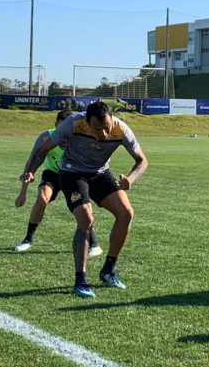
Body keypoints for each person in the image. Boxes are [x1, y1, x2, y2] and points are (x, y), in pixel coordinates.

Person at [20, 101, 148, 298]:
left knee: (126, 213)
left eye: (106, 127)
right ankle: (80, 280)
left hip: (100, 173)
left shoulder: (121, 129)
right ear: (87, 121)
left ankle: (108, 270)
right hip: (72, 174)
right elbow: (43, 149)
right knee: (86, 219)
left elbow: (142, 160)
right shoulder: (73, 123)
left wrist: (130, 179)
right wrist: (30, 171)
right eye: (97, 128)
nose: (104, 134)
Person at [14, 109, 103, 256]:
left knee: (81, 207)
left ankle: (94, 244)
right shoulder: (45, 138)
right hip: (53, 173)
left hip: (74, 175)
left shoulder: (78, 138)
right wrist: (22, 193)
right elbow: (32, 161)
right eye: (60, 128)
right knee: (42, 199)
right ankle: (27, 240)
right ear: (56, 125)